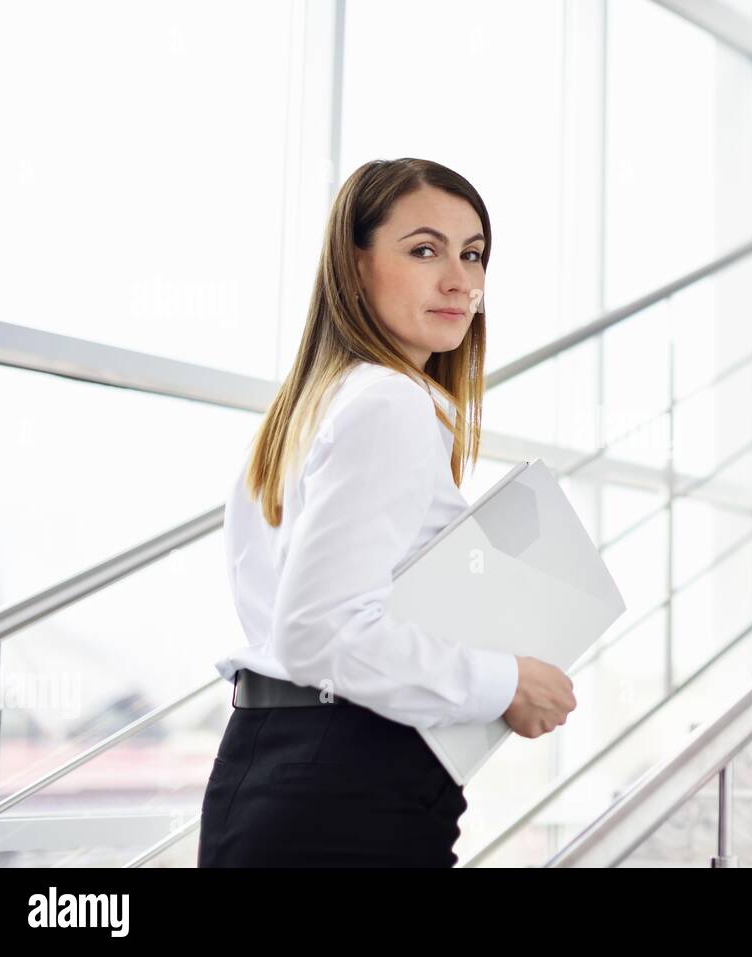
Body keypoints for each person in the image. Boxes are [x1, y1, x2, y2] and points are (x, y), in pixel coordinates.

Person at [197, 158, 576, 867]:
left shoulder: (308, 407)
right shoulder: (388, 402)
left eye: (473, 255)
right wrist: (507, 681)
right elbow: (317, 632)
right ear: (353, 264)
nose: (460, 281)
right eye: (425, 250)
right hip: (349, 784)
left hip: (276, 768)